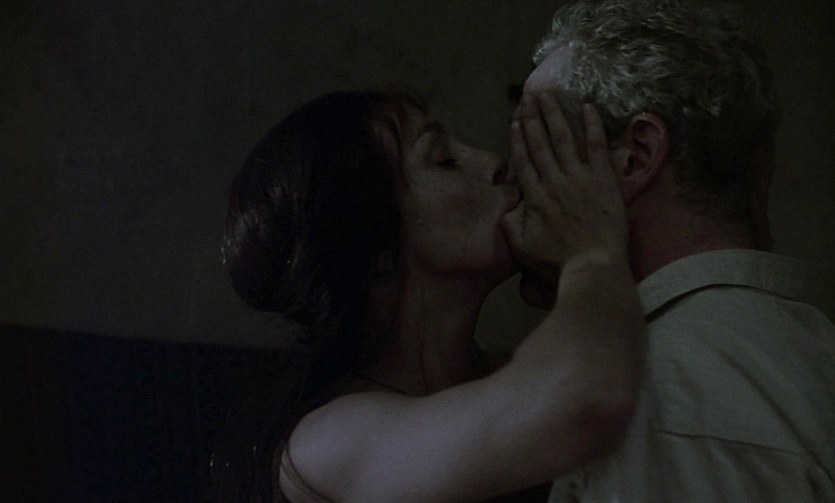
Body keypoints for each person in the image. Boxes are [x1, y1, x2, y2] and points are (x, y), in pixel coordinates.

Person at [213, 89, 644, 502]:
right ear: (373, 249)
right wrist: (589, 251)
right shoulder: (329, 442)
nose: (496, 163)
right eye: (445, 161)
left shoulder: (508, 375)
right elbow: (582, 402)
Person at [518, 0, 835, 500]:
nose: (517, 189)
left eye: (537, 151)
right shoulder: (810, 345)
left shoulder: (658, 390)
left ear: (636, 157)